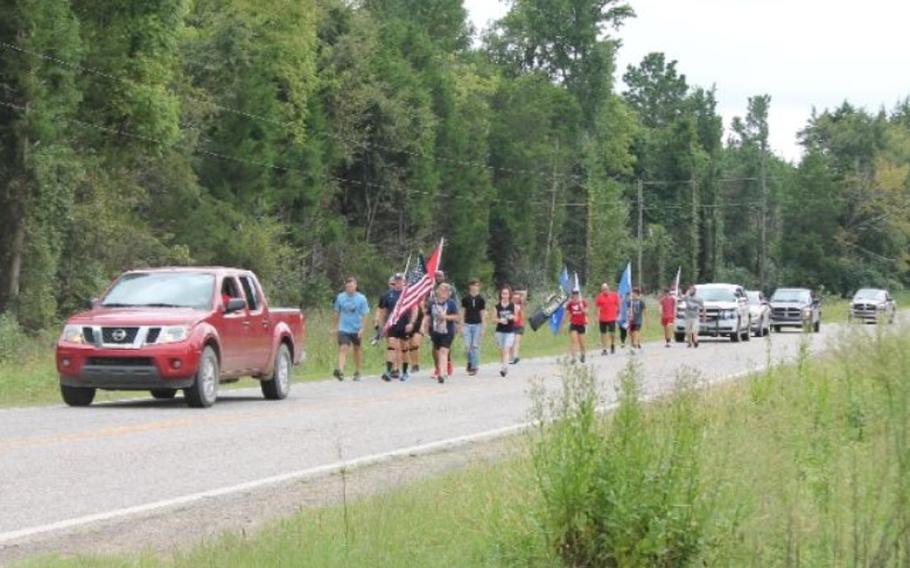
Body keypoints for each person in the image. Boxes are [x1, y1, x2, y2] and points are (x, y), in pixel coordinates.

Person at [375, 274, 417, 382]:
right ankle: (388, 371)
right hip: (392, 324)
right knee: (391, 346)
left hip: (405, 324)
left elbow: (414, 309)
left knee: (404, 348)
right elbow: (384, 311)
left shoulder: (408, 294)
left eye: (400, 281)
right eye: (396, 280)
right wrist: (382, 325)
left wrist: (411, 323)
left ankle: (404, 371)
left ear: (404, 282)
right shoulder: (389, 295)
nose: (398, 283)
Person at [332, 277, 370, 381]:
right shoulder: (340, 297)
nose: (349, 288)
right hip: (344, 328)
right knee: (343, 347)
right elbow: (336, 312)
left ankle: (357, 371)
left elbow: (365, 314)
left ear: (355, 286)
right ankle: (340, 370)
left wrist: (362, 328)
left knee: (357, 349)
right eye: (348, 286)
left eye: (351, 286)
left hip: (356, 328)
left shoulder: (362, 298)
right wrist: (335, 326)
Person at [429, 283, 459, 384]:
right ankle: (440, 369)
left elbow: (457, 317)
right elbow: (427, 316)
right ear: (437, 291)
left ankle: (441, 374)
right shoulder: (432, 303)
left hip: (448, 331)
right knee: (437, 351)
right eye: (442, 289)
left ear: (448, 293)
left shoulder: (451, 303)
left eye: (446, 291)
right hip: (435, 331)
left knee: (443, 351)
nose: (443, 292)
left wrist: (445, 317)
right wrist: (422, 327)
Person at [461, 279, 486, 376]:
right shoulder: (465, 299)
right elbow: (462, 313)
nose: (475, 287)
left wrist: (483, 327)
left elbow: (482, 314)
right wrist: (461, 325)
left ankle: (474, 367)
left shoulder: (481, 299)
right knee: (468, 346)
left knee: (475, 346)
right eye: (473, 285)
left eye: (477, 285)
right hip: (467, 324)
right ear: (470, 287)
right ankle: (470, 361)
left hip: (477, 325)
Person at [492, 286, 517, 377]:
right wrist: (500, 320)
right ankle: (503, 365)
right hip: (500, 331)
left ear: (509, 295)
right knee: (502, 350)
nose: (504, 295)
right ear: (501, 295)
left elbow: (516, 318)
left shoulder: (513, 306)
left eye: (506, 293)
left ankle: (504, 368)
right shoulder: (497, 306)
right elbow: (493, 319)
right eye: (503, 294)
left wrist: (512, 317)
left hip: (510, 331)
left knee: (506, 349)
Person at [594, 283, 620, 355]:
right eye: (603, 289)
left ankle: (612, 344)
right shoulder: (599, 297)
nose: (605, 290)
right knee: (603, 334)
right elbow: (597, 307)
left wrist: (618, 314)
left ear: (609, 288)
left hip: (612, 317)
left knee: (612, 333)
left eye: (606, 289)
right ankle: (604, 349)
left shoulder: (614, 295)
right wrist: (596, 316)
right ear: (601, 290)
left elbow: (618, 305)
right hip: (602, 318)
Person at [565, 289, 589, 363]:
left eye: (576, 294)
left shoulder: (583, 302)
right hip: (573, 324)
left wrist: (583, 309)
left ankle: (583, 354)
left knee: (582, 342)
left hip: (581, 324)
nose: (575, 295)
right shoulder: (570, 304)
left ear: (578, 295)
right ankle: (574, 357)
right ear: (572, 295)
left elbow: (586, 312)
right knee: (574, 341)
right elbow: (567, 312)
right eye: (574, 294)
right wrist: (564, 321)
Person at [510, 290, 526, 364]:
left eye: (517, 298)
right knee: (512, 342)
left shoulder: (521, 306)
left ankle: (515, 357)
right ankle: (512, 356)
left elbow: (524, 293)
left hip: (519, 325)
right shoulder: (509, 306)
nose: (516, 300)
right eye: (514, 298)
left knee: (516, 341)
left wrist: (516, 292)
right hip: (511, 326)